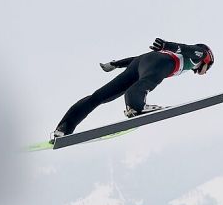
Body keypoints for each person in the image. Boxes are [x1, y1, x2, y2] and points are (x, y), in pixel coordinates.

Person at [51, 38, 214, 141]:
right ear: (208, 60)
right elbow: (185, 48)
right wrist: (167, 45)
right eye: (209, 67)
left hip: (140, 63)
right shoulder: (200, 54)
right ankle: (136, 106)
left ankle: (64, 128)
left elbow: (139, 59)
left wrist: (115, 64)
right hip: (160, 62)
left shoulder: (188, 61)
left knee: (99, 97)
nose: (206, 71)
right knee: (145, 83)